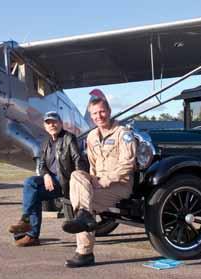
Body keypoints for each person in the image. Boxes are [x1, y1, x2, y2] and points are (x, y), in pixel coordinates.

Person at [61, 91, 137, 268]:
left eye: (102, 112)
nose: (98, 116)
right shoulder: (92, 136)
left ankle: (84, 253)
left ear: (109, 111)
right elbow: (92, 164)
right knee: (76, 175)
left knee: (83, 203)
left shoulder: (122, 133)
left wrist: (105, 181)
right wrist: (94, 179)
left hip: (120, 184)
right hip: (99, 182)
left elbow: (128, 164)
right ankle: (85, 216)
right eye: (94, 113)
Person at [7, 111, 87, 246]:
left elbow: (78, 159)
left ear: (61, 123)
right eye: (48, 123)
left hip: (64, 182)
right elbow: (43, 165)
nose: (52, 125)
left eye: (54, 122)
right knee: (32, 188)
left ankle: (26, 222)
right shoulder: (45, 143)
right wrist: (46, 175)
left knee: (31, 186)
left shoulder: (69, 138)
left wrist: (79, 180)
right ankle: (32, 235)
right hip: (52, 180)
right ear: (45, 126)